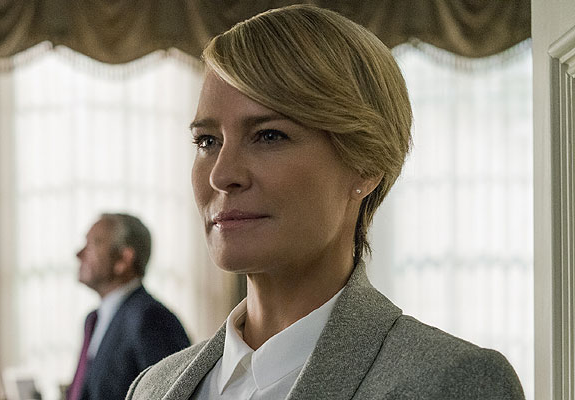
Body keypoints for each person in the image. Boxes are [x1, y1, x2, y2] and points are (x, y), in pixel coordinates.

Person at [126, 5, 525, 399]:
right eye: (207, 141)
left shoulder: (452, 383)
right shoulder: (151, 387)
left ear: (366, 165)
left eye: (269, 135)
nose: (221, 174)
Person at [67, 213, 190, 400]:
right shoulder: (93, 319)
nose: (79, 254)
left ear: (123, 260)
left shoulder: (151, 318)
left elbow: (174, 394)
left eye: (93, 244)